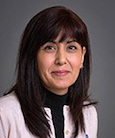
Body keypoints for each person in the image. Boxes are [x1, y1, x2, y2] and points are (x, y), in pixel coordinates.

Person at [0, 6, 98, 138]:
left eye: (71, 47)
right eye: (50, 47)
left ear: (82, 57)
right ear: (32, 55)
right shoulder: (4, 113)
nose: (61, 60)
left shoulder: (88, 114)